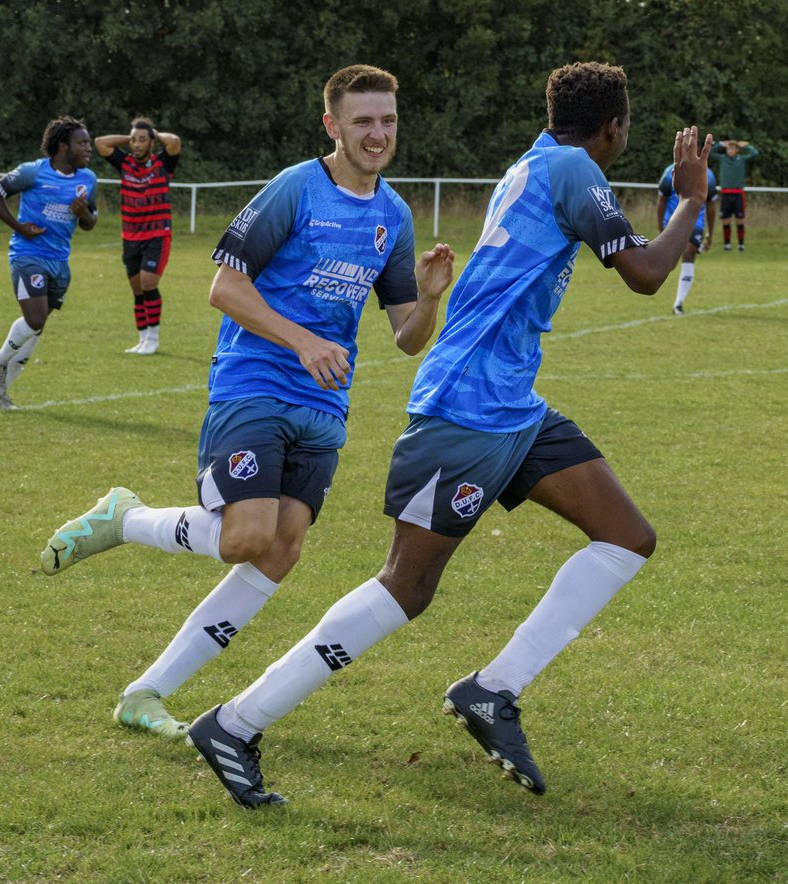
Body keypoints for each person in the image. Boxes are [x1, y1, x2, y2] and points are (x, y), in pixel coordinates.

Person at [180, 61, 713, 809]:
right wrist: (689, 200)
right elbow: (647, 273)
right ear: (614, 128)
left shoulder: (538, 162)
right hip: (464, 408)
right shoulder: (569, 166)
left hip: (511, 406)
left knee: (626, 536)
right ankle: (235, 723)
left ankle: (493, 690)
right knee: (406, 587)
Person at [39, 65, 454, 742]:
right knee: (244, 536)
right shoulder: (296, 189)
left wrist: (430, 296)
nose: (377, 135)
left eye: (387, 121)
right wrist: (302, 343)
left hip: (324, 406)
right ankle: (126, 517)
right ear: (333, 125)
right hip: (255, 382)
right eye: (363, 122)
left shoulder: (395, 216)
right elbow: (224, 289)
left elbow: (407, 339)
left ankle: (147, 694)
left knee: (280, 549)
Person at [0, 117, 98, 410]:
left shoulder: (88, 180)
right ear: (63, 146)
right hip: (27, 255)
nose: (89, 148)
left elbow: (90, 223)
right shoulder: (32, 172)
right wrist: (18, 227)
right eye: (82, 143)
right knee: (34, 319)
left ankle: (1, 392)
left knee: (39, 326)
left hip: (60, 261)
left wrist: (84, 213)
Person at [94, 118, 182, 354]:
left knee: (148, 283)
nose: (137, 144)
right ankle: (142, 339)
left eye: (142, 140)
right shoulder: (125, 163)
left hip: (157, 235)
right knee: (136, 289)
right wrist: (130, 136)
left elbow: (174, 142)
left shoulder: (163, 163)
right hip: (131, 236)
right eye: (134, 140)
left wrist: (152, 133)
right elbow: (100, 143)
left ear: (152, 142)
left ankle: (153, 340)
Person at [657, 159, 717, 314]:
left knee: (689, 252)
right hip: (672, 222)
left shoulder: (707, 175)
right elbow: (662, 200)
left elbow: (711, 205)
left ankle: (678, 304)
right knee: (669, 264)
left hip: (695, 223)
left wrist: (710, 232)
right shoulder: (670, 172)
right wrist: (660, 227)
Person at [709, 139, 758, 251]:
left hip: (738, 195)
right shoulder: (723, 159)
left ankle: (741, 244)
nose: (730, 150)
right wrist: (720, 144)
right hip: (726, 194)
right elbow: (711, 153)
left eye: (733, 148)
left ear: (736, 150)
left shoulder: (741, 159)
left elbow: (754, 154)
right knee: (726, 220)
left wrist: (746, 146)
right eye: (729, 148)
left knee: (739, 220)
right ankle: (727, 244)